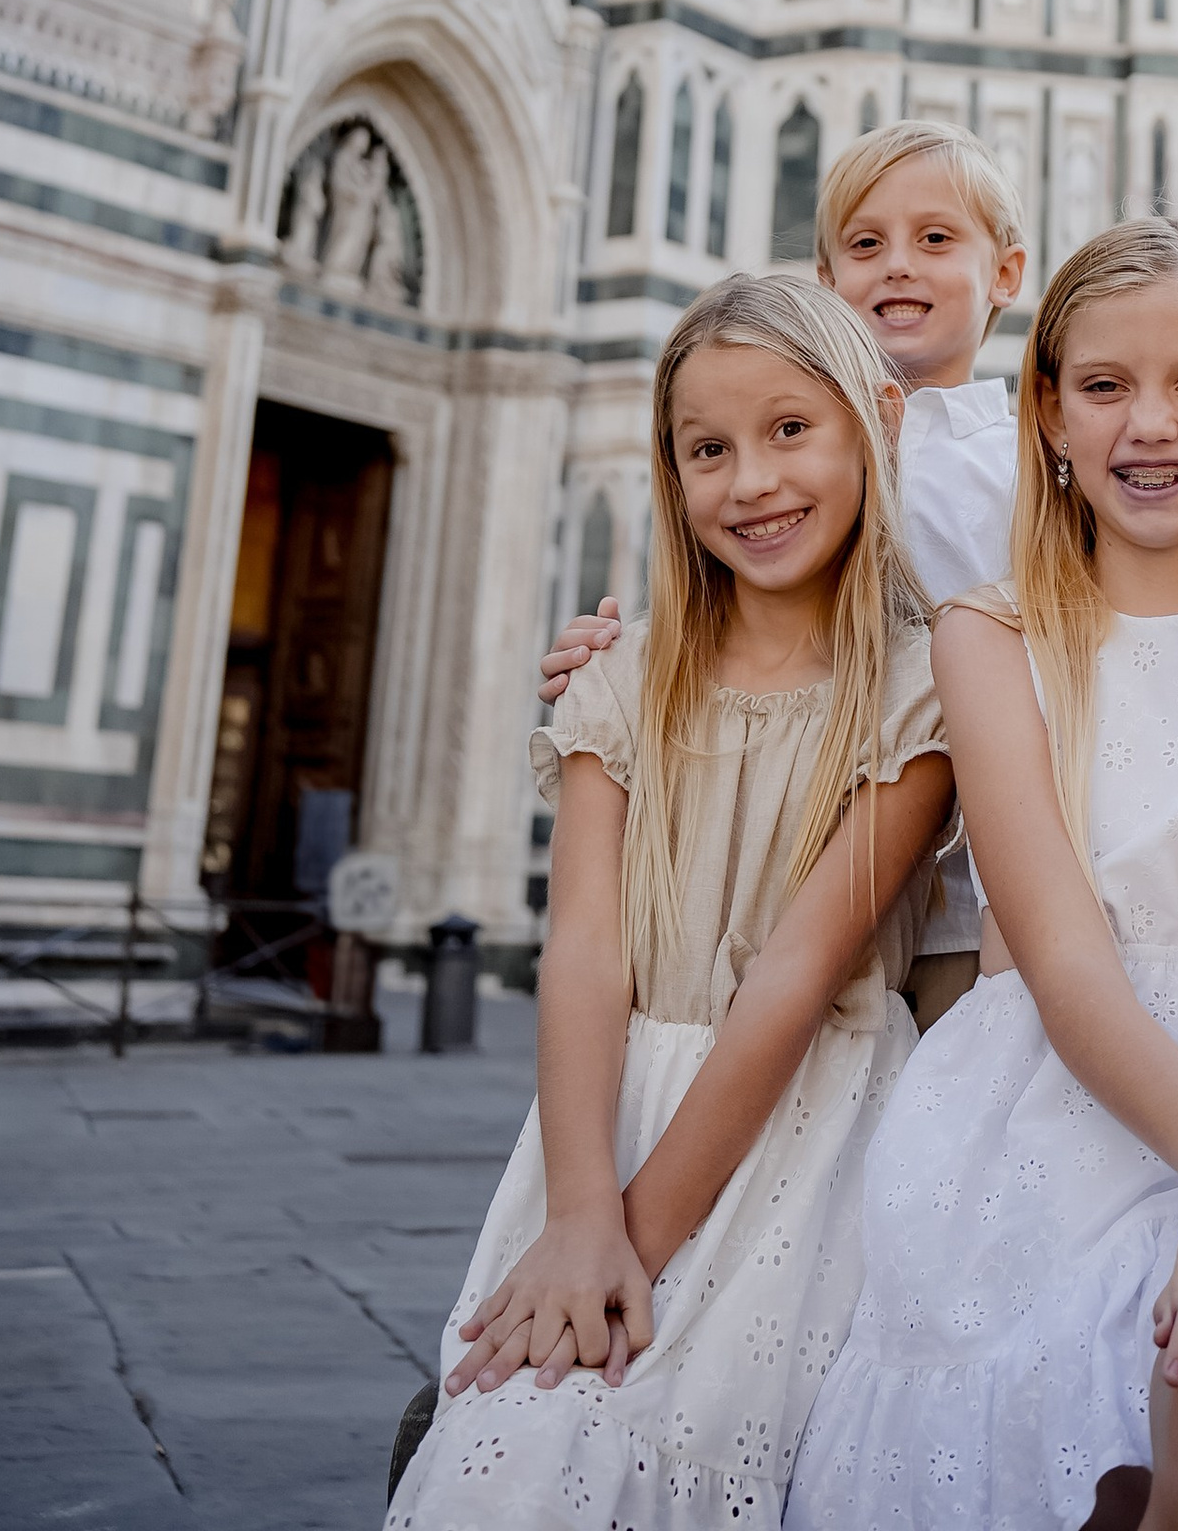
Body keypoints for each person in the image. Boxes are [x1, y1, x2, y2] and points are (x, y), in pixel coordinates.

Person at [788, 217, 1178, 1531]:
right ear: (1051, 413)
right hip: (1041, 1129)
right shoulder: (993, 636)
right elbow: (1060, 951)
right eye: (1106, 386)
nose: (1150, 425)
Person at [388, 274, 954, 1531]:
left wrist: (628, 1247)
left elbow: (798, 982)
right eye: (708, 449)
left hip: (805, 1132)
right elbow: (585, 949)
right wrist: (581, 1213)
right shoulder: (624, 679)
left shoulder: (920, 695)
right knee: (523, 1441)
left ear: (879, 422)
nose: (750, 481)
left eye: (789, 430)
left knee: (681, 1449)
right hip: (609, 1122)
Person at [547, 118, 1023, 1025]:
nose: (897, 266)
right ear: (826, 281)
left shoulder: (1024, 471)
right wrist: (609, 655)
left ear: (1003, 272)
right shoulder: (777, 471)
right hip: (784, 860)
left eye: (935, 239)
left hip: (966, 899)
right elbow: (726, 606)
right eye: (865, 244)